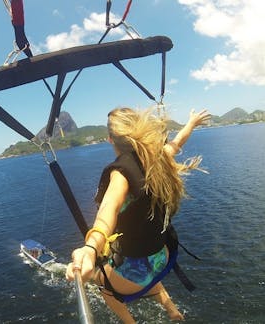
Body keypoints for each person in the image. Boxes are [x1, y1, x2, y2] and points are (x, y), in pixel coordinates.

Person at [65, 107, 211, 322]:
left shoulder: (120, 174)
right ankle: (172, 309)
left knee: (102, 283)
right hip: (163, 254)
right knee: (132, 264)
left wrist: (91, 247)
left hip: (141, 266)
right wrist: (191, 122)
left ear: (110, 140)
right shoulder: (158, 159)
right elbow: (177, 142)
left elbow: (109, 209)